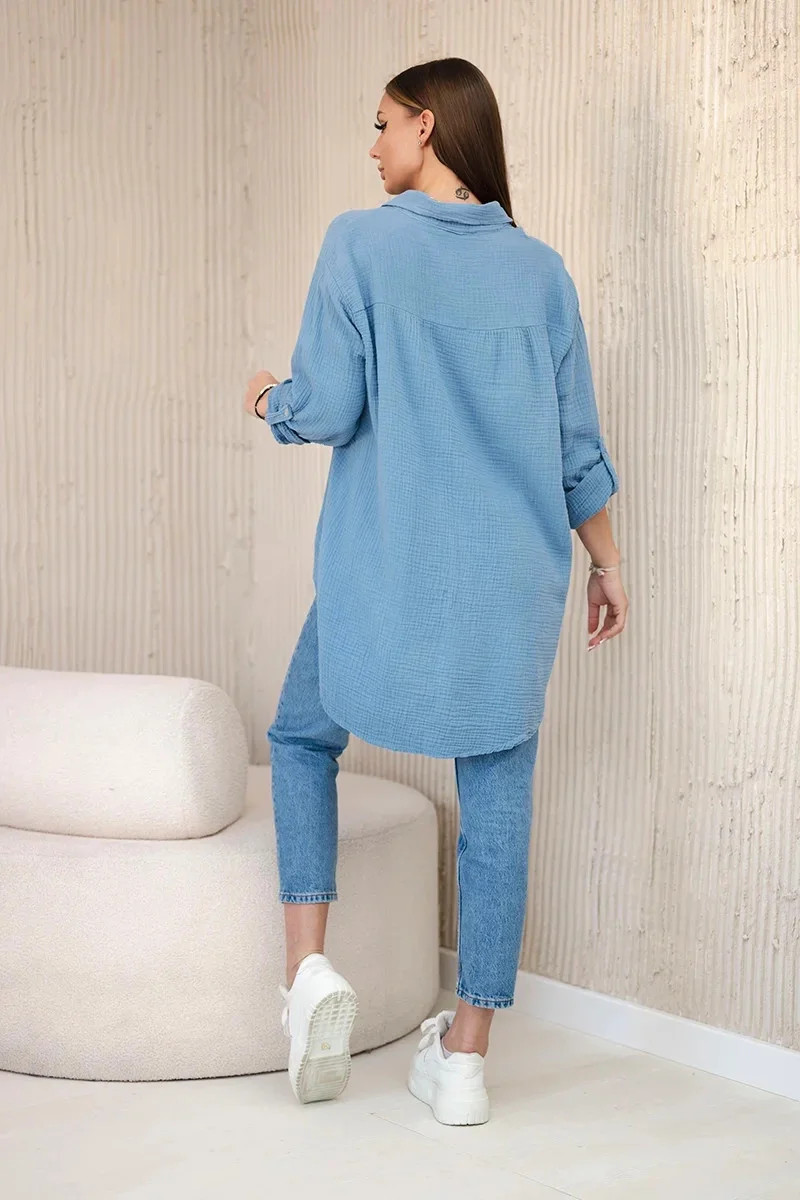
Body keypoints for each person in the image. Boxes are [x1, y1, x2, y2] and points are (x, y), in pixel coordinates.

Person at [244, 57, 628, 1124]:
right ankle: (464, 1058)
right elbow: (576, 453)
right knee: (496, 800)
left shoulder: (358, 245)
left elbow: (328, 408)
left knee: (299, 735)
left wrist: (271, 398)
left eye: (380, 125)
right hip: (509, 587)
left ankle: (306, 975)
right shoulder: (541, 274)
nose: (371, 149)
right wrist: (606, 565)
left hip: (383, 569)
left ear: (426, 125)